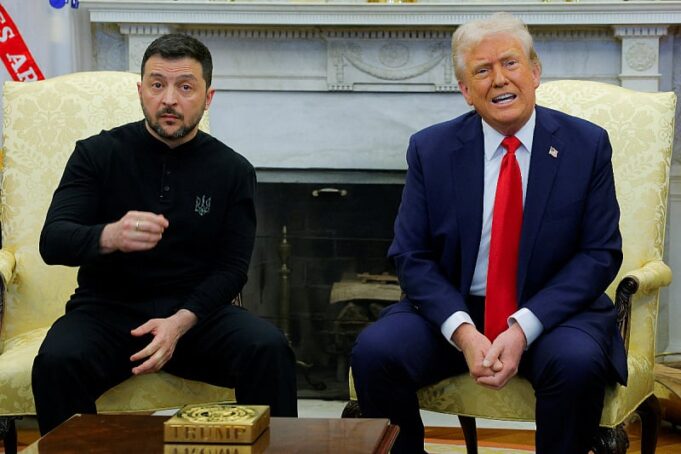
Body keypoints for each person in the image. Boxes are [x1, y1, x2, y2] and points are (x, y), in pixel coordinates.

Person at [351, 12, 627, 454]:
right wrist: (463, 332)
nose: (499, 79)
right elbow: (410, 254)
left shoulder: (586, 144)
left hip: (552, 313)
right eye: (482, 70)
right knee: (375, 351)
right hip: (458, 309)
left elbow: (599, 253)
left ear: (534, 72)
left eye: (510, 63)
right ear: (465, 90)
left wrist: (521, 328)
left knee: (577, 363)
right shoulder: (431, 149)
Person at [32, 33, 298, 434]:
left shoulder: (232, 170)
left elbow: (232, 269)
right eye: (157, 85)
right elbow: (52, 242)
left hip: (196, 318)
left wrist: (179, 323)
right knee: (57, 362)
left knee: (268, 348)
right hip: (107, 312)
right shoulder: (95, 154)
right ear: (141, 91)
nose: (169, 99)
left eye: (185, 87)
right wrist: (110, 236)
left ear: (208, 98)